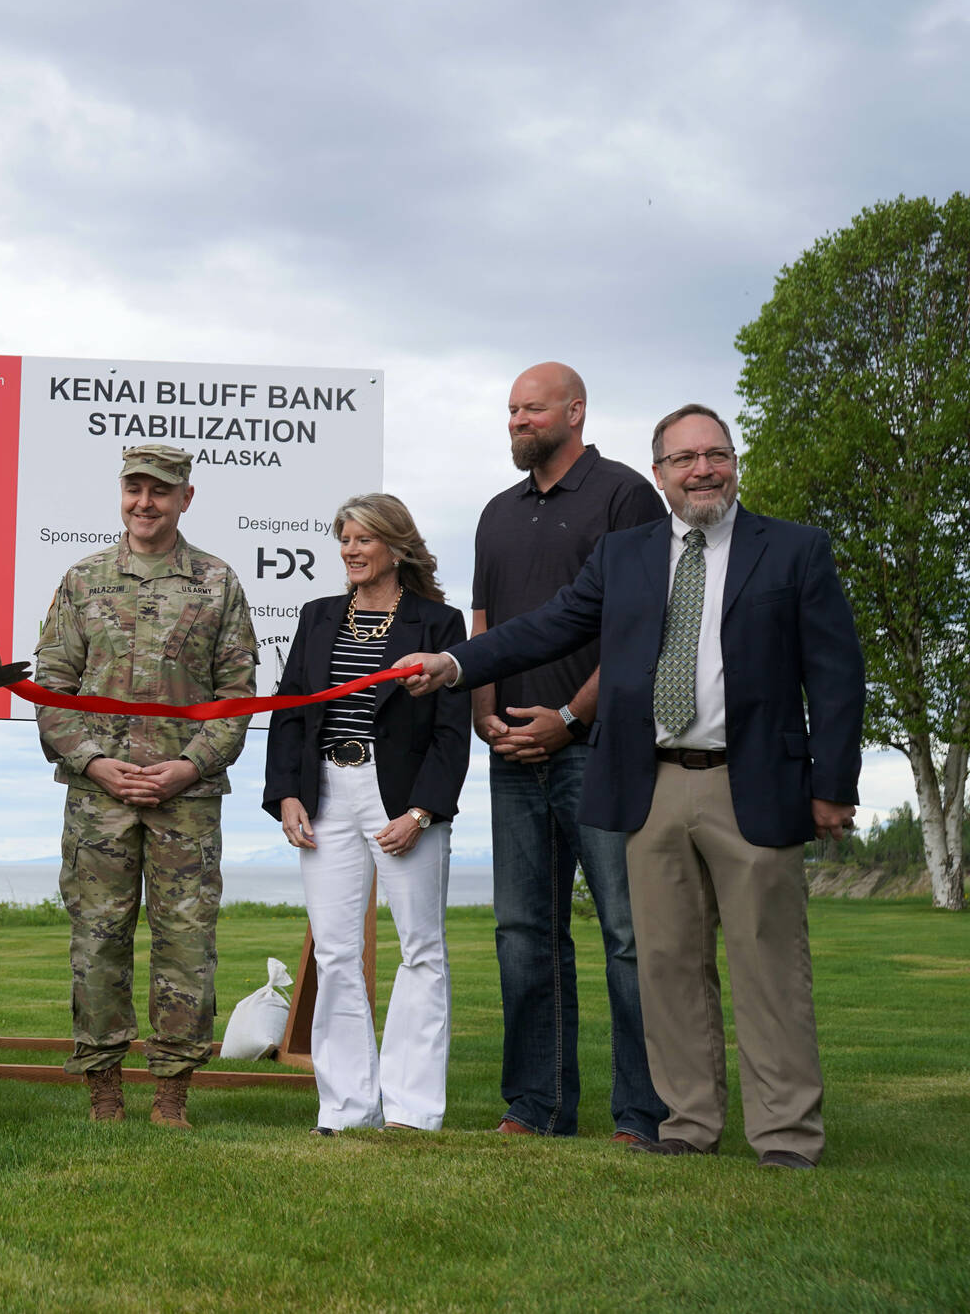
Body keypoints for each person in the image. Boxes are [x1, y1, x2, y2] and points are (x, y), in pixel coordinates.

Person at [400, 403, 863, 1169]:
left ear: (734, 463)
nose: (702, 469)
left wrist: (833, 786)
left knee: (768, 965)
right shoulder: (625, 556)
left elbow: (838, 676)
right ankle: (686, 1123)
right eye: (684, 459)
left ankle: (786, 1135)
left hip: (754, 786)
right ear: (660, 473)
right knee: (667, 964)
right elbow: (547, 626)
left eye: (715, 454)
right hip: (649, 786)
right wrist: (456, 664)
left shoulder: (794, 550)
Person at [472, 362, 669, 1144]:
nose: (517, 420)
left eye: (532, 408)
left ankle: (645, 1113)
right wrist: (487, 714)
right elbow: (484, 620)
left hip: (600, 749)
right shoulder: (495, 512)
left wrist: (566, 715)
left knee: (628, 934)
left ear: (575, 411)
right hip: (510, 755)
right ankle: (537, 1105)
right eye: (511, 409)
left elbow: (637, 625)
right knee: (523, 933)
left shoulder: (625, 496)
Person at [35, 443, 258, 1129]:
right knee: (98, 940)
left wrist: (189, 765)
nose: (145, 502)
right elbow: (51, 691)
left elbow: (236, 697)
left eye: (160, 490)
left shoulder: (217, 584)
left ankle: (171, 1092)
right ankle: (103, 1087)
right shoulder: (83, 581)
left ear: (185, 497)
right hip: (99, 800)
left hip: (182, 801)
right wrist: (96, 762)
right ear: (121, 492)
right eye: (134, 488)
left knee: (185, 942)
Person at [261, 494, 468, 1133]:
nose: (350, 550)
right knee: (336, 953)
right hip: (326, 793)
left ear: (396, 547)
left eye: (363, 539)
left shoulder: (439, 623)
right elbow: (291, 709)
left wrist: (423, 811)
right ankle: (347, 1108)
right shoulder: (318, 617)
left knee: (421, 950)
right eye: (344, 538)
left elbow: (450, 731)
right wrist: (288, 794)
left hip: (402, 799)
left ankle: (412, 1111)